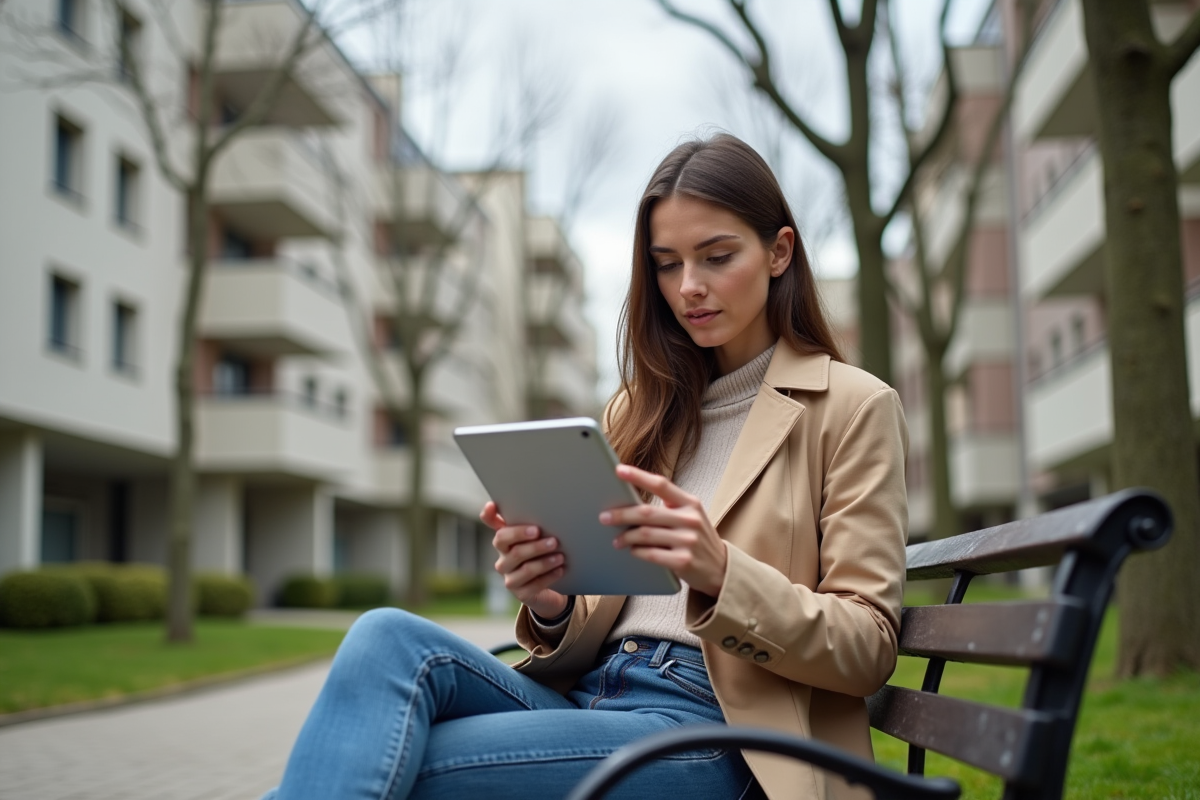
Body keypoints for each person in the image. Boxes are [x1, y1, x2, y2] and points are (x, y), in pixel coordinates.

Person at [262, 133, 908, 800]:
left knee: (391, 759)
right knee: (383, 638)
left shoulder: (852, 407)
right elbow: (597, 624)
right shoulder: (638, 412)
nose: (689, 288)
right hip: (594, 700)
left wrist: (723, 574)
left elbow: (867, 649)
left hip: (722, 735)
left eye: (717, 257)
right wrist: (550, 602)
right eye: (666, 264)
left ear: (779, 251)